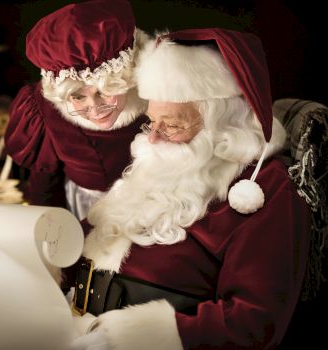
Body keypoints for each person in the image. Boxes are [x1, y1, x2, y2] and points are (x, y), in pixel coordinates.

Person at [69, 28, 311, 350]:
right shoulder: (159, 162)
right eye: (151, 122)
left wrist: (135, 337)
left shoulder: (264, 189)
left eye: (172, 124)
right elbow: (88, 239)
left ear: (221, 125)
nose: (152, 138)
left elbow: (254, 322)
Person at [0, 0, 148, 274]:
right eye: (78, 96)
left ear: (126, 77)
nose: (94, 107)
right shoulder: (43, 112)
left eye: (105, 90)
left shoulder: (165, 98)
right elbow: (44, 190)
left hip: (158, 218)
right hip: (80, 222)